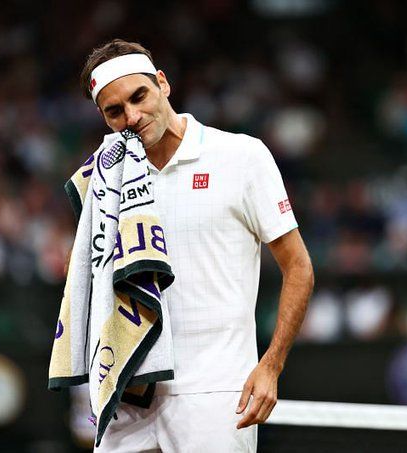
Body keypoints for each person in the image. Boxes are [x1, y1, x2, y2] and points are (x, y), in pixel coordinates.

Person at [68, 39, 314, 452]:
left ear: (163, 83)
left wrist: (271, 365)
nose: (132, 116)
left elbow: (299, 267)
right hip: (128, 392)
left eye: (139, 96)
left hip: (216, 392)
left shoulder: (240, 156)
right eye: (115, 111)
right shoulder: (104, 180)